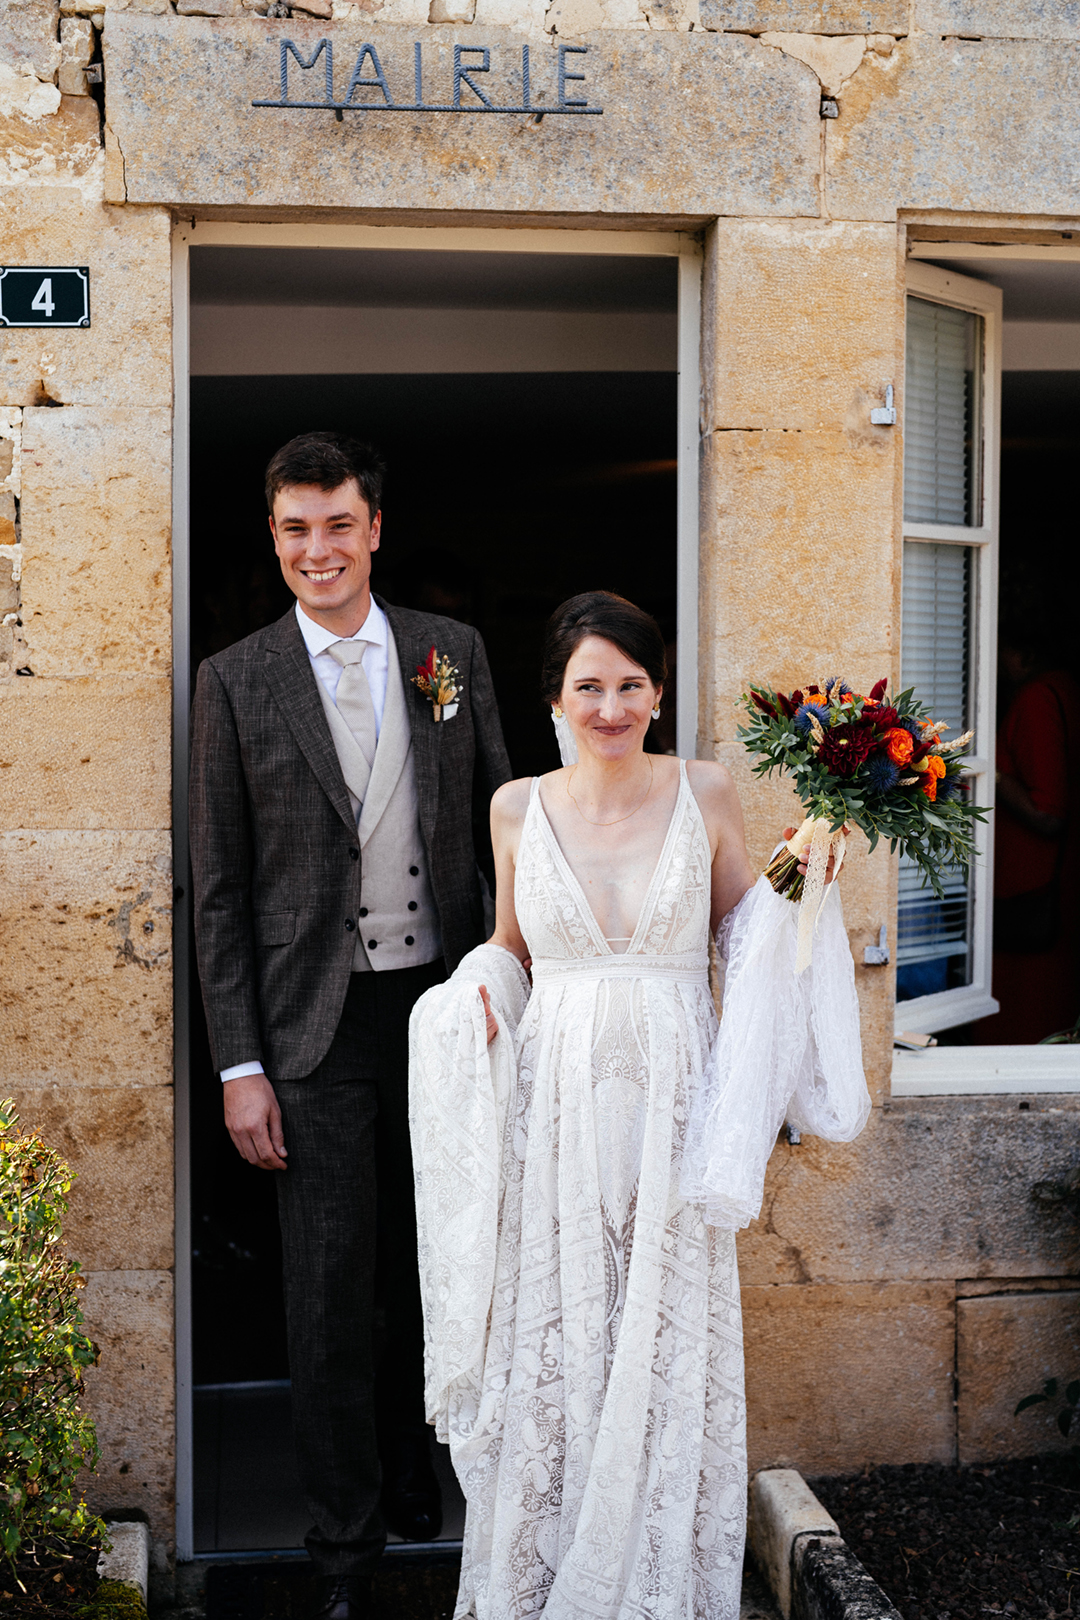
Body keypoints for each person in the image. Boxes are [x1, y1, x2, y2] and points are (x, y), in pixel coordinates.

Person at [409, 592, 870, 1620]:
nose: (609, 705)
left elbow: (752, 932)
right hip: (556, 1111)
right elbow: (510, 947)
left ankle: (654, 1584)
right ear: (555, 700)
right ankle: (553, 1577)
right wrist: (474, 996)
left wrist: (814, 867)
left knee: (661, 1335)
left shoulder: (705, 791)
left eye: (629, 684)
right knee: (561, 1333)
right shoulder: (516, 808)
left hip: (675, 1108)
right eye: (589, 686)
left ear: (658, 693)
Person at [189, 432, 511, 1620]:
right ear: (272, 539)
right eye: (293, 530)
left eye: (336, 525)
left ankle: (423, 1469)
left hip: (441, 1012)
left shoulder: (451, 654)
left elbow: (502, 834)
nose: (316, 550)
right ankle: (342, 1544)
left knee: (440, 1270)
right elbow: (219, 892)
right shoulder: (234, 679)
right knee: (327, 1292)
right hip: (309, 1031)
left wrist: (514, 995)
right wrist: (239, 1066)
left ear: (373, 527)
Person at [974, 629, 1080, 1043]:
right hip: (1049, 886)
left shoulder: (1038, 698)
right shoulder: (1065, 689)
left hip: (1030, 889)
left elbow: (1047, 811)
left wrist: (991, 775)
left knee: (1020, 1022)